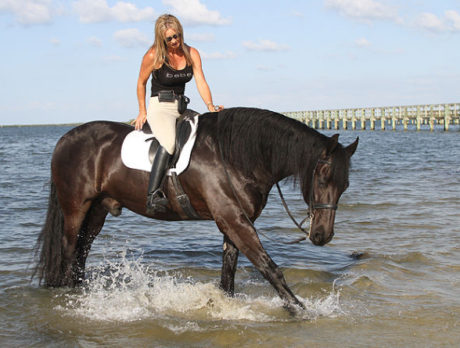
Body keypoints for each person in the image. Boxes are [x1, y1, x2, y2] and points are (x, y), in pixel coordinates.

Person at [132, 14, 223, 214]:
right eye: (170, 38)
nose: (175, 41)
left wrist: (210, 106)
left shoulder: (192, 53)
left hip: (181, 107)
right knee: (170, 143)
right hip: (160, 107)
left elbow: (200, 80)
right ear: (161, 39)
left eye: (177, 36)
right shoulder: (153, 55)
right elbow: (141, 82)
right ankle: (152, 195)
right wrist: (142, 111)